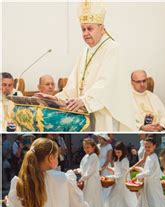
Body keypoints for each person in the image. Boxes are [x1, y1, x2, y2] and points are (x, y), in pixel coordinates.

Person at [36, 2, 135, 131]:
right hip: (85, 113)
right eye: (83, 29)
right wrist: (56, 98)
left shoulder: (112, 48)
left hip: (106, 115)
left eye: (90, 28)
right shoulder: (86, 51)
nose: (86, 33)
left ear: (102, 28)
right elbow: (74, 85)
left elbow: (107, 83)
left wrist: (85, 101)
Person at [71, 138, 107, 207]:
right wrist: (76, 171)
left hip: (92, 182)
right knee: (85, 199)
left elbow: (89, 171)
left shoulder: (94, 157)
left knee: (91, 200)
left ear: (93, 147)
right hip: (87, 180)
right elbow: (83, 168)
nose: (86, 149)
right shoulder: (86, 156)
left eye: (88, 147)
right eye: (84, 147)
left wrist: (81, 179)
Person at [132, 137, 165, 207]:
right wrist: (140, 171)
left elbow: (149, 172)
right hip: (149, 183)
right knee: (145, 201)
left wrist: (138, 175)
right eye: (146, 146)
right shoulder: (150, 156)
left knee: (154, 202)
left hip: (152, 184)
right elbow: (147, 170)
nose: (147, 148)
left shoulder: (152, 157)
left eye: (149, 147)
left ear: (154, 146)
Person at [105, 141, 137, 207]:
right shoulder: (117, 159)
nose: (117, 154)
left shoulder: (125, 160)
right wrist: (111, 169)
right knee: (115, 200)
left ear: (123, 151)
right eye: (116, 152)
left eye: (119, 152)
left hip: (122, 183)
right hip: (117, 182)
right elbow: (117, 170)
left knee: (122, 200)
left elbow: (123, 174)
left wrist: (111, 177)